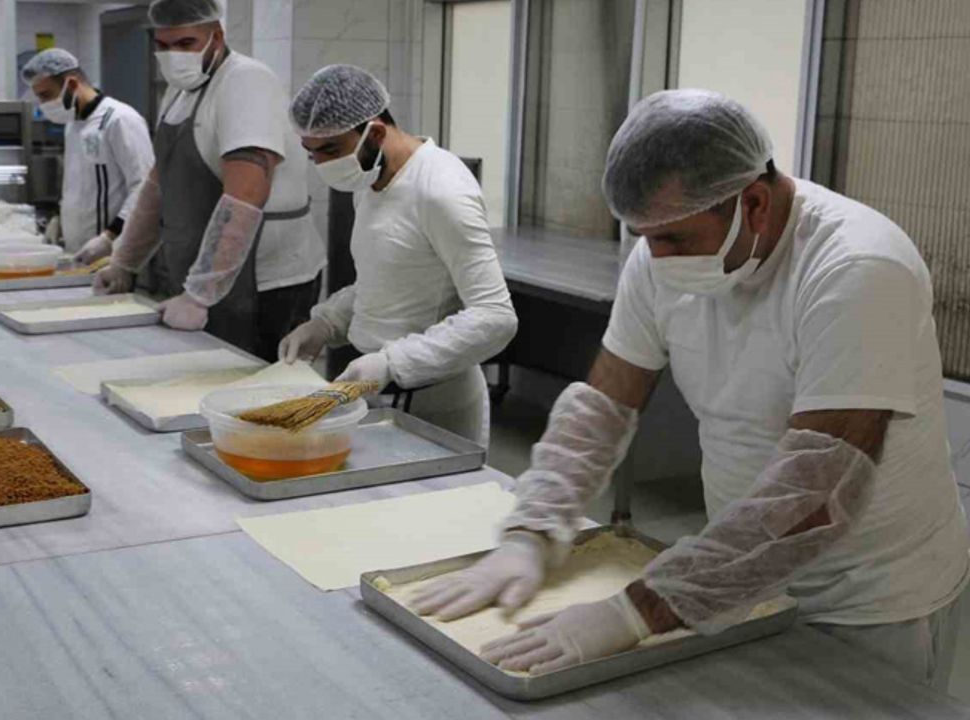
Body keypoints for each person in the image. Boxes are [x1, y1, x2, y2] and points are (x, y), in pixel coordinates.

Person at [411, 89, 969, 689]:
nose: (655, 257)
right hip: (736, 576)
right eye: (642, 236)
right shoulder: (660, 254)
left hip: (868, 600)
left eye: (674, 239)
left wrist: (638, 610)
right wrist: (534, 527)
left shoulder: (856, 268)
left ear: (754, 203)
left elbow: (819, 490)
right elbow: (603, 407)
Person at [279, 65, 518, 446]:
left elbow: (496, 316)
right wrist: (325, 324)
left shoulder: (441, 189)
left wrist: (393, 363)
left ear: (375, 133)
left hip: (436, 400)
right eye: (312, 154)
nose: (322, 165)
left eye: (331, 150)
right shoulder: (368, 180)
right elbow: (384, 280)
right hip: (377, 394)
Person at [93, 0, 325, 361]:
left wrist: (200, 295)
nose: (174, 55)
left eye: (186, 43)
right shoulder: (180, 91)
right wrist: (125, 260)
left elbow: (247, 192)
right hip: (208, 279)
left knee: (253, 384)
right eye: (163, 45)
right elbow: (158, 185)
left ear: (216, 36)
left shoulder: (246, 82)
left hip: (266, 283)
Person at [21, 48, 154, 257]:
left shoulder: (120, 119)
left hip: (113, 252)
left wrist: (109, 237)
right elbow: (76, 183)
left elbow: (144, 187)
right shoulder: (72, 124)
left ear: (72, 84)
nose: (44, 105)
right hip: (78, 251)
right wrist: (59, 218)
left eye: (46, 95)